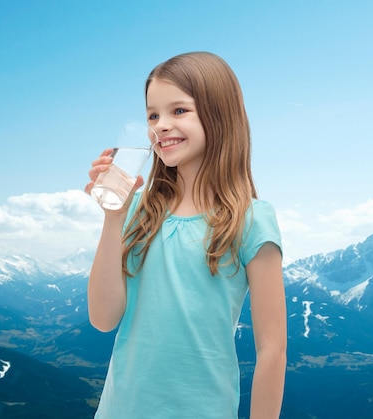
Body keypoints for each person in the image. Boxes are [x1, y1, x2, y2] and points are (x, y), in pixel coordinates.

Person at [84, 51, 286, 418]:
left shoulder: (253, 221)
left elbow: (272, 350)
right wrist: (112, 218)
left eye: (179, 111)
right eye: (152, 115)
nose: (160, 125)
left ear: (219, 115)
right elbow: (103, 318)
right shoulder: (136, 211)